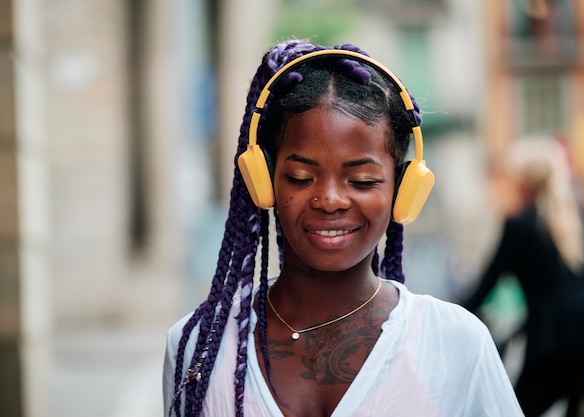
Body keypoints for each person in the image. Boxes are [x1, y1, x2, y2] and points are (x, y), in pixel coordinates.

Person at [163, 38, 524, 417]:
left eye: (363, 181)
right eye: (301, 177)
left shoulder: (457, 343)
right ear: (264, 182)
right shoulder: (197, 348)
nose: (330, 199)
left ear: (403, 189)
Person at [461, 137, 584, 417]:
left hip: (556, 347)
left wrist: (449, 314)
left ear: (523, 181)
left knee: (510, 411)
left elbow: (485, 287)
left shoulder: (519, 226)